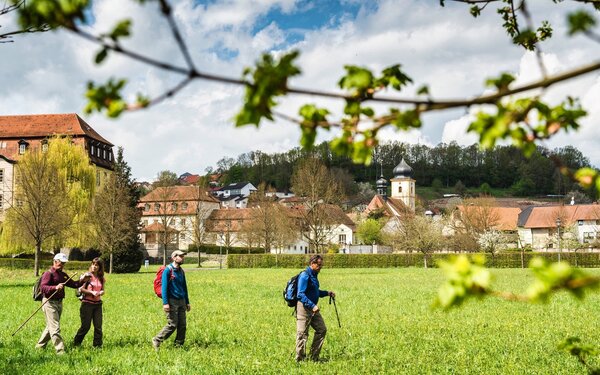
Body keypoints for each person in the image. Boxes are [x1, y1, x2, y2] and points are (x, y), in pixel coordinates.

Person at [36, 253, 91, 354]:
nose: (62, 265)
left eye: (64, 263)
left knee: (51, 327)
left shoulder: (63, 274)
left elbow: (74, 284)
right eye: (61, 263)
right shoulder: (48, 274)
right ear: (55, 261)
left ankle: (39, 347)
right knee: (55, 327)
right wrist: (55, 287)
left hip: (59, 303)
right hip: (49, 302)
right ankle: (60, 351)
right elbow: (43, 288)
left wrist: (82, 280)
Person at [295, 254, 335, 362]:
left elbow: (315, 292)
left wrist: (327, 293)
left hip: (313, 309)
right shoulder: (305, 275)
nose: (321, 267)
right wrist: (312, 306)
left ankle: (314, 357)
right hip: (304, 308)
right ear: (312, 263)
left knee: (322, 330)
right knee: (302, 334)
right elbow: (300, 294)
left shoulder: (314, 275)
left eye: (322, 265)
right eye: (319, 265)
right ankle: (299, 360)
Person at [152, 250, 190, 350]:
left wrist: (187, 302)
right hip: (171, 301)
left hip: (181, 300)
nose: (182, 258)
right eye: (180, 256)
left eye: (183, 256)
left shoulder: (181, 271)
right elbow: (164, 288)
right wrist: (165, 303)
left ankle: (179, 345)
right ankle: (157, 339)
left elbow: (184, 287)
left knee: (182, 325)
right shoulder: (168, 270)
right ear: (174, 257)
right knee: (173, 324)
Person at [73, 257, 106, 348]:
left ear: (100, 267)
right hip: (87, 304)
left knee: (98, 327)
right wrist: (91, 292)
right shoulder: (87, 276)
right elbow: (81, 289)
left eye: (97, 265)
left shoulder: (101, 278)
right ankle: (76, 344)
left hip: (98, 305)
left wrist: (101, 292)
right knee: (85, 327)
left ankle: (97, 346)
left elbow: (102, 289)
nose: (94, 267)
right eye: (93, 264)